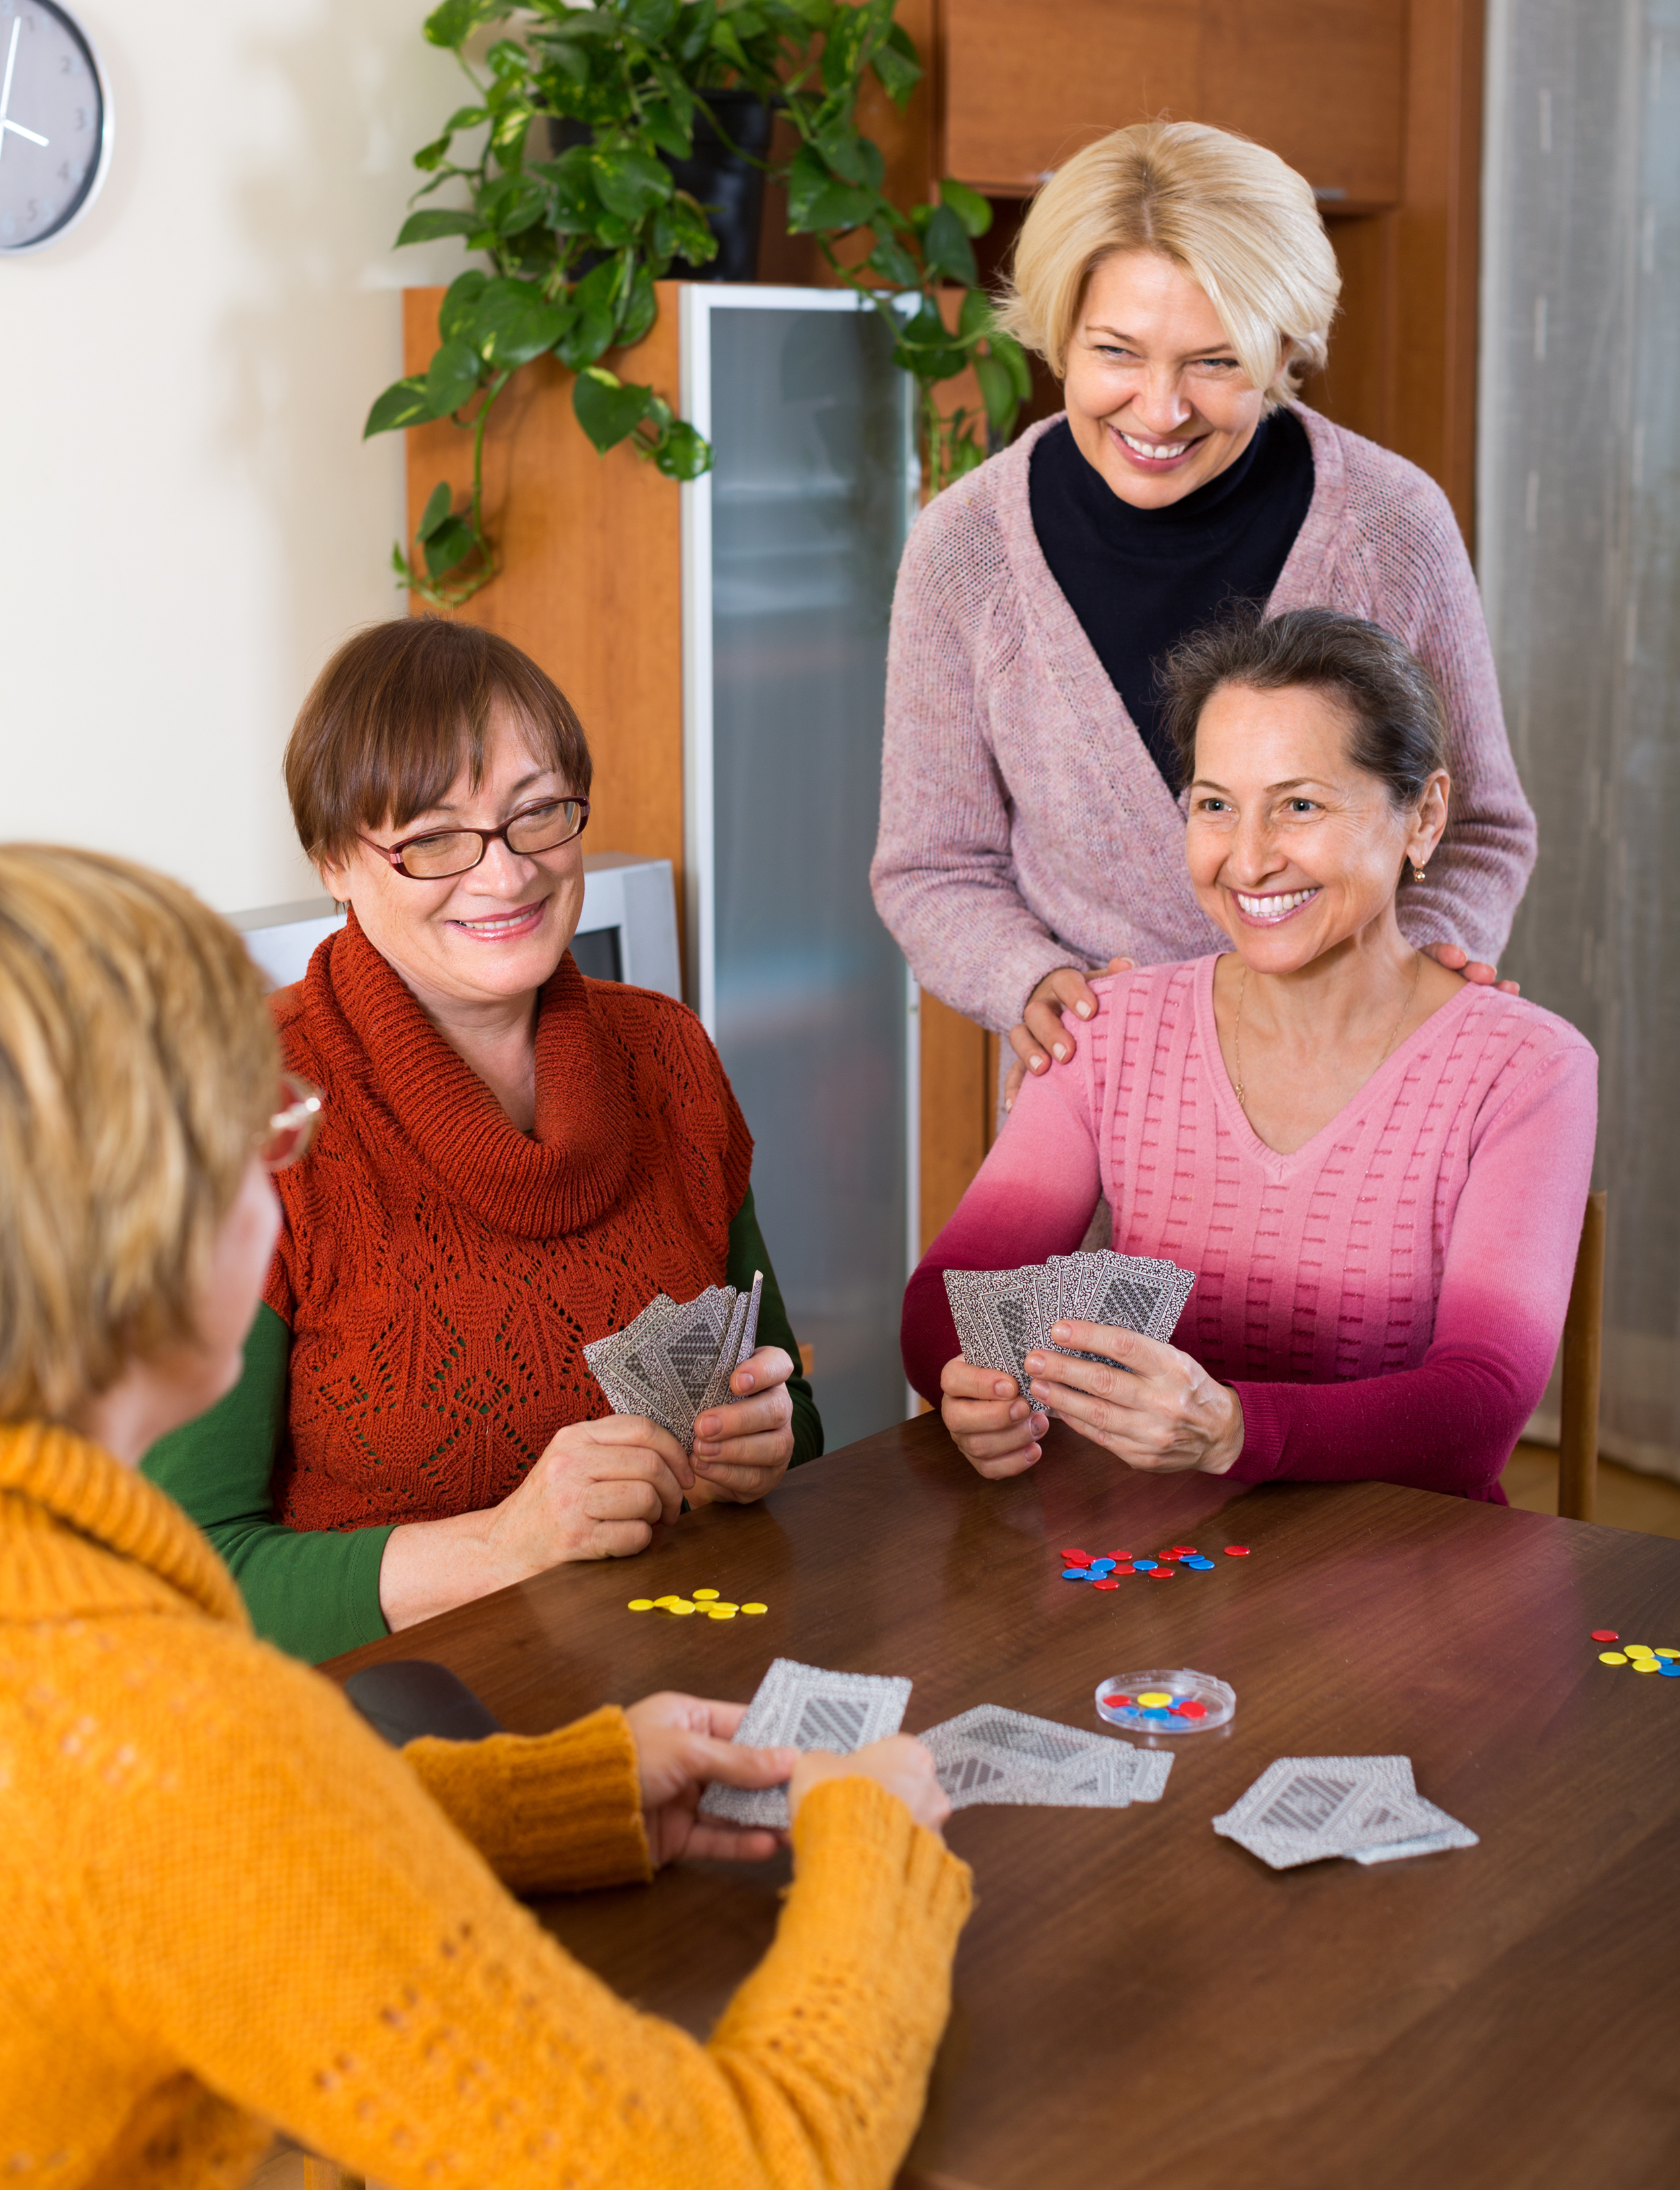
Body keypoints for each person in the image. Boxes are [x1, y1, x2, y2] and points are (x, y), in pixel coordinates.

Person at [0, 843, 965, 2188]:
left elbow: (180, 1859)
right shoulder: (181, 1730)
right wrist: (878, 1844)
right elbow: (736, 2169)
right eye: (262, 1127)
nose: (289, 1161)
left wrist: (552, 1795)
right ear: (141, 1221)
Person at [144, 620, 821, 1664]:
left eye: (538, 815)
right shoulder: (236, 1114)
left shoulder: (671, 1056)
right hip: (382, 1738)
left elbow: (797, 1412)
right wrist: (502, 1547)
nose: (505, 878)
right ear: (334, 859)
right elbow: (184, 1578)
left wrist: (765, 1445)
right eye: (432, 837)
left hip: (673, 1671)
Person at [872, 120, 1536, 1109]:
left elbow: (1478, 829)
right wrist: (1029, 979)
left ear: (1284, 347)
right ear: (1060, 333)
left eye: (1216, 363)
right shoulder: (965, 548)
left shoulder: (1390, 524)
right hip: (1102, 1109)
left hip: (1361, 1091)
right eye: (1116, 353)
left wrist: (1423, 963)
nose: (1159, 408)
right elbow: (931, 867)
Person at [904, 610, 1595, 1501]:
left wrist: (1233, 1429)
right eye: (1216, 806)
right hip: (1143, 1572)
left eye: (1300, 805)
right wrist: (976, 1388)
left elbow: (1481, 1411)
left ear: (1423, 817)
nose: (1251, 859)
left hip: (1408, 1588)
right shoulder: (1104, 1032)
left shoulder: (1527, 1068)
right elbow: (943, 1304)